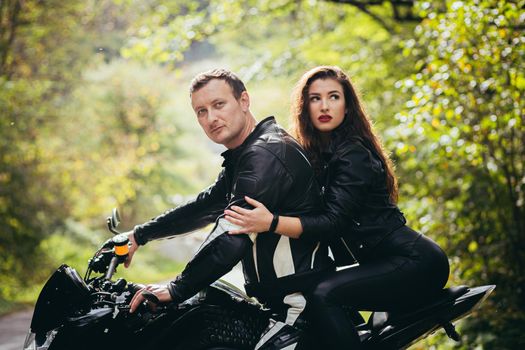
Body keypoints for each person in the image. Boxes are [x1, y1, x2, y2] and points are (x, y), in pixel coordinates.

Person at [224, 66, 450, 349]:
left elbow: (332, 222)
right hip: (383, 261)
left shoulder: (352, 153)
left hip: (415, 262)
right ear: (305, 106)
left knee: (324, 293)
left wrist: (270, 222)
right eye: (315, 98)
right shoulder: (321, 153)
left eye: (334, 97)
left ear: (348, 105)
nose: (325, 106)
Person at [122, 68, 332, 348]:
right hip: (280, 305)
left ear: (244, 101)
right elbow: (208, 205)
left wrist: (176, 288)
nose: (211, 118)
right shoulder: (248, 153)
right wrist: (139, 235)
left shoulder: (264, 155)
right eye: (201, 111)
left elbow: (231, 236)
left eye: (219, 105)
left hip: (300, 310)